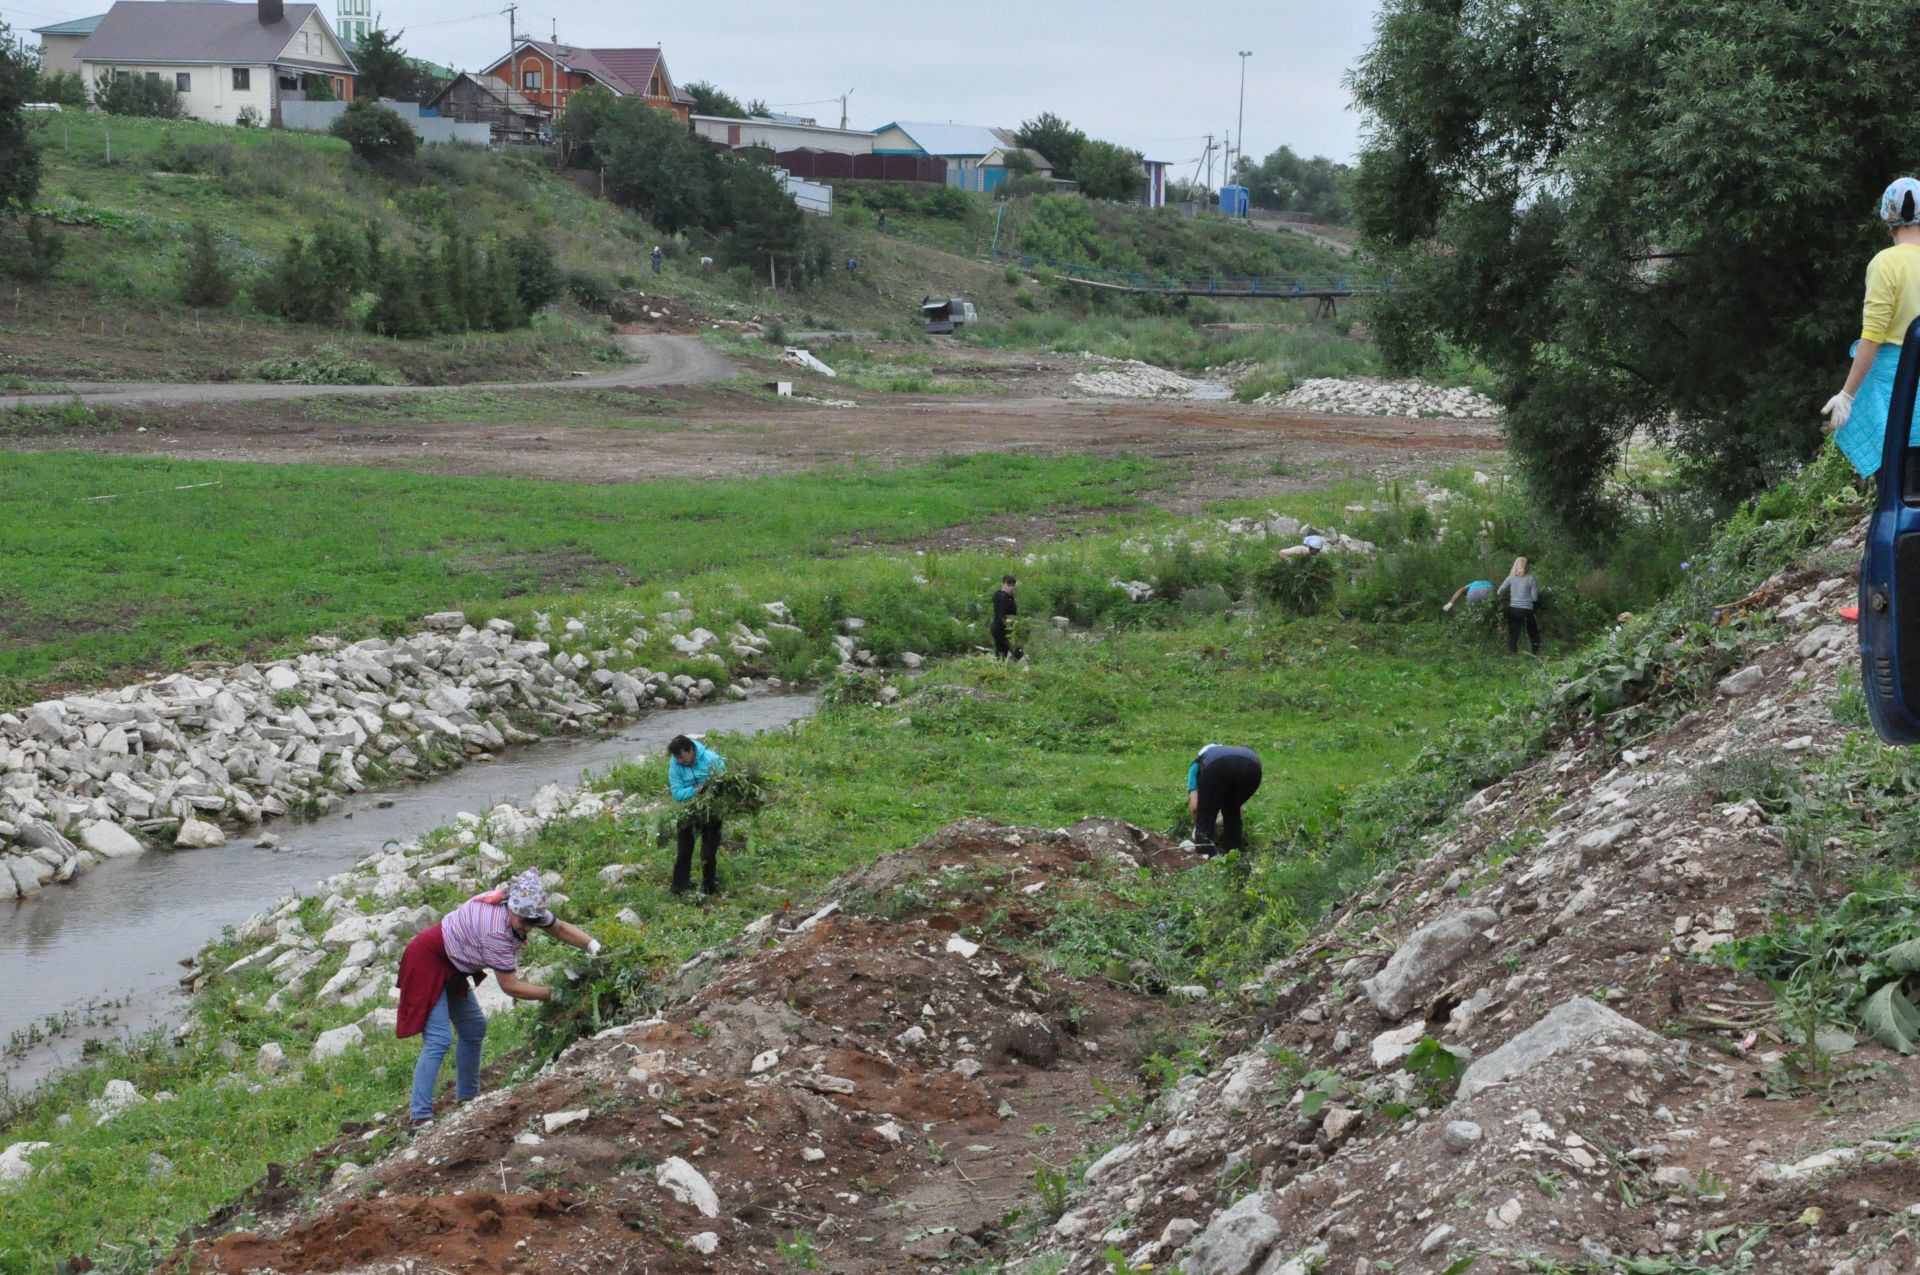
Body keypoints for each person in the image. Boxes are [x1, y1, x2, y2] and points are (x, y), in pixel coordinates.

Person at [396, 868, 599, 1126]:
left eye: (533, 922)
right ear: (511, 908)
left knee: (474, 1028)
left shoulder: (529, 909)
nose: (527, 928)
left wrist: (593, 945)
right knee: (439, 1038)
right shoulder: (496, 931)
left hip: (454, 966)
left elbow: (558, 927)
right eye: (522, 921)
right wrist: (555, 994)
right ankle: (420, 1115)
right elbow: (511, 986)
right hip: (427, 960)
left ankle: (468, 1099)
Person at [1826, 177, 1920, 477]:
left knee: (1902, 483)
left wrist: (1847, 395)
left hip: (1897, 391)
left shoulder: (1886, 264)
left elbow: (1872, 338)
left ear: (1888, 220)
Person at [668, 734, 725, 896]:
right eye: (676, 757)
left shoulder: (711, 759)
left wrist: (709, 788)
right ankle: (679, 889)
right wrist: (695, 791)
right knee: (684, 852)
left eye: (681, 756)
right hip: (688, 811)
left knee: (708, 853)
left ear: (691, 749)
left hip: (711, 810)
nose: (680, 761)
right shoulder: (675, 765)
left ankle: (709, 888)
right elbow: (677, 794)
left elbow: (723, 783)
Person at [1187, 744, 1262, 855]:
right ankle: (1234, 857)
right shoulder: (1232, 752)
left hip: (1216, 768)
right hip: (1253, 766)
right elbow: (1238, 809)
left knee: (1205, 820)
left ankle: (1206, 859)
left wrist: (1198, 827)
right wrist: (1218, 823)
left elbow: (1195, 807)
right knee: (1232, 811)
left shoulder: (1198, 763)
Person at [1497, 556, 1541, 654]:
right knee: (1533, 633)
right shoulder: (1531, 578)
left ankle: (1512, 655)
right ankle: (1535, 653)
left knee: (1514, 634)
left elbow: (1499, 591)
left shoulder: (1510, 578)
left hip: (1514, 610)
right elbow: (1535, 598)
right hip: (1527, 610)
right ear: (1527, 566)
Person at [990, 574, 1023, 660]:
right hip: (1000, 629)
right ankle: (1002, 669)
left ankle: (1007, 668)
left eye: (1012, 586)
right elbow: (1002, 617)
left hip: (1007, 629)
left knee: (1013, 650)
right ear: (1003, 584)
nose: (1011, 588)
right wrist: (1014, 621)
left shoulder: (1008, 596)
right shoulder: (1001, 597)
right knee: (1004, 652)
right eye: (1008, 585)